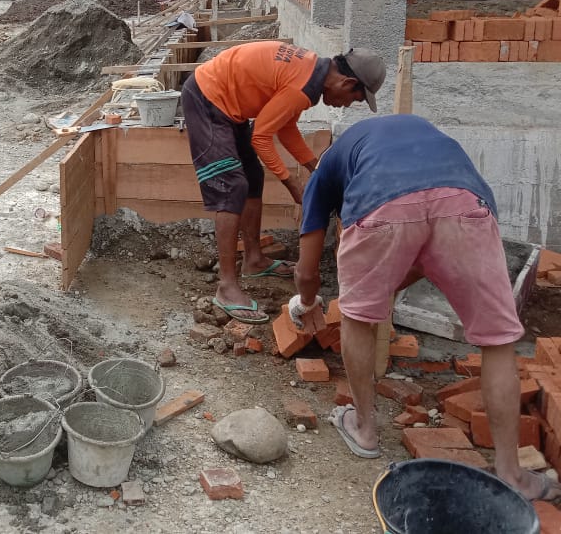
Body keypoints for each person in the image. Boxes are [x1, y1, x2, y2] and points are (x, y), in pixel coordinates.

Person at [291, 114, 561, 503]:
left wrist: (308, 303)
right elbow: (425, 240)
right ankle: (512, 473)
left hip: (381, 204)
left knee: (357, 320)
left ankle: (364, 429)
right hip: (467, 202)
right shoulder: (414, 133)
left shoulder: (325, 169)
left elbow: (306, 269)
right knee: (498, 341)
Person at [181, 41, 386, 324]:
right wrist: (294, 187)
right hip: (207, 97)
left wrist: (316, 168)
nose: (348, 105)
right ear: (347, 81)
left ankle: (253, 261)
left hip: (229, 102)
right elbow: (261, 138)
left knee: (252, 176)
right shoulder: (303, 83)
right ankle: (227, 286)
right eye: (355, 98)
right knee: (232, 185)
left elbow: (285, 126)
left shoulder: (310, 74)